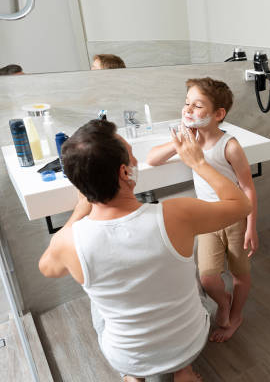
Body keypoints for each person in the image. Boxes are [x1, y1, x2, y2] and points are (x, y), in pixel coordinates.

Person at [39, 120, 250, 382]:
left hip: (126, 355)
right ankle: (182, 370)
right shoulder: (177, 214)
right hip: (190, 343)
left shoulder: (69, 241)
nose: (137, 160)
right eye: (133, 155)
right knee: (183, 277)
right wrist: (199, 163)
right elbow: (241, 205)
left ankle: (134, 376)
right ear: (125, 173)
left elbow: (47, 268)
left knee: (97, 301)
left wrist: (81, 210)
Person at [147, 78, 258, 343]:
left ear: (218, 114)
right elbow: (151, 159)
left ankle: (237, 315)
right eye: (187, 104)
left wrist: (251, 226)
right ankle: (224, 302)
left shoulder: (229, 146)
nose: (188, 110)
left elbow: (248, 188)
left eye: (197, 106)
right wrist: (183, 140)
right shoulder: (190, 142)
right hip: (206, 220)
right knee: (208, 279)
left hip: (235, 219)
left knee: (240, 275)